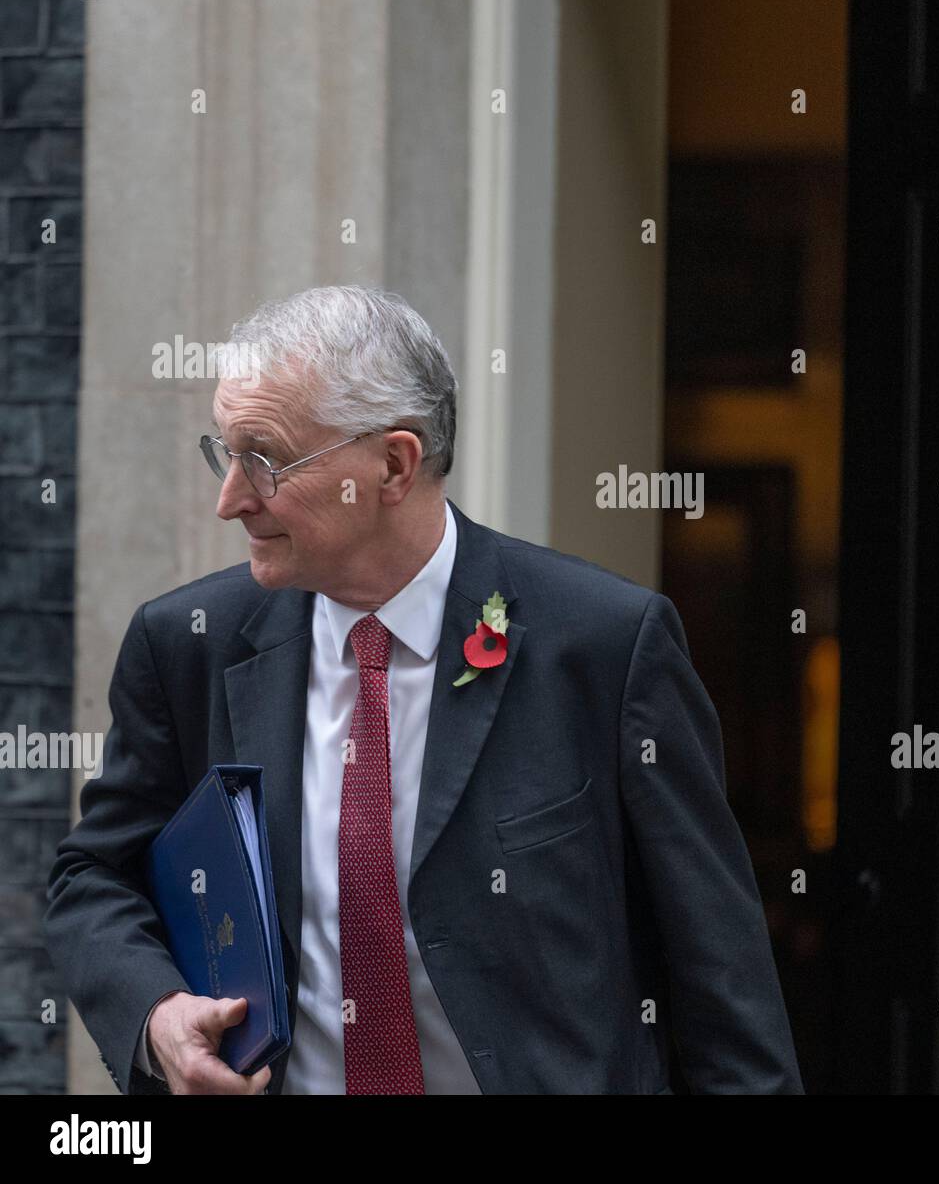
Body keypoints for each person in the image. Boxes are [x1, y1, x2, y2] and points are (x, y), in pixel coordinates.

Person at [44, 285, 803, 1095]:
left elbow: (720, 977)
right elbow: (94, 879)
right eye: (223, 453)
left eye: (264, 459)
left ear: (394, 465)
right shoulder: (187, 644)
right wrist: (158, 1013)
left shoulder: (605, 645)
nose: (231, 498)